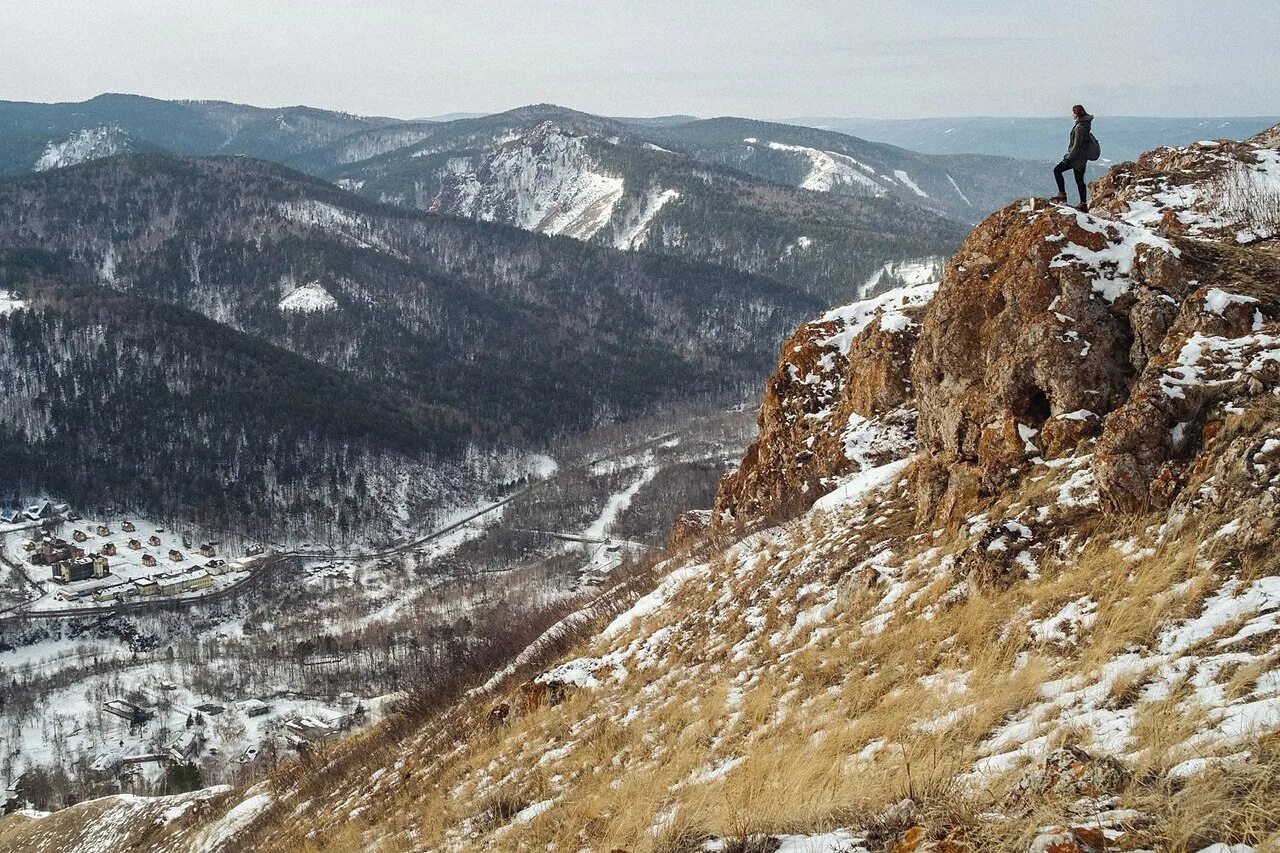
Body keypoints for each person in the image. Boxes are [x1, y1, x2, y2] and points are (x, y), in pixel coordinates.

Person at [1052, 105, 1093, 211]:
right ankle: (1083, 204)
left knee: (1057, 170)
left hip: (1075, 158)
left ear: (1076, 113)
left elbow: (1077, 145)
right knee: (1080, 180)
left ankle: (1062, 194)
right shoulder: (1085, 124)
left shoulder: (1079, 127)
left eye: (1073, 112)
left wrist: (1068, 158)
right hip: (1082, 157)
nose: (1072, 114)